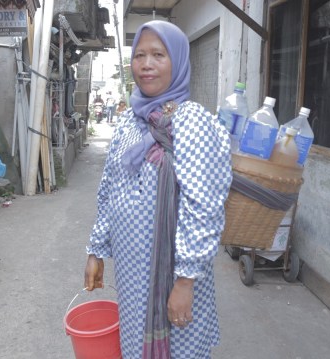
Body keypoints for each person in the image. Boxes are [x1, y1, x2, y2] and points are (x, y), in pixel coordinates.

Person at [83, 20, 232, 358]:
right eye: (139, 55)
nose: (146, 64)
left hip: (174, 275)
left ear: (177, 61)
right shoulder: (129, 121)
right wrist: (95, 250)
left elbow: (203, 208)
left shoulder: (191, 122)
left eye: (158, 55)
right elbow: (110, 189)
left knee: (180, 347)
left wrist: (185, 281)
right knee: (137, 347)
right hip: (132, 272)